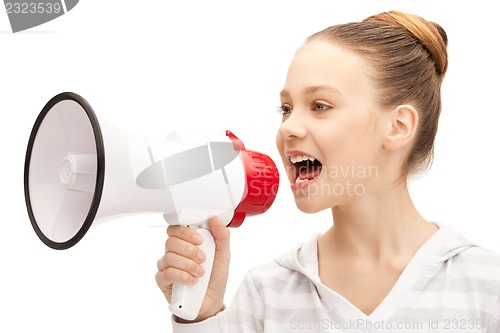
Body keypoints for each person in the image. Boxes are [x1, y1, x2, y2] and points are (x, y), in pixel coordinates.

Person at [155, 10, 500, 332]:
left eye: (320, 106)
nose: (289, 127)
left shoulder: (486, 287)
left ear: (397, 126)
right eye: (286, 108)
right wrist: (202, 315)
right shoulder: (267, 294)